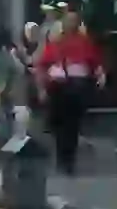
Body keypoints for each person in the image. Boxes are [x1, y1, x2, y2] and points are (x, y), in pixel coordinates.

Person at [36, 10, 105, 175]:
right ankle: (62, 157)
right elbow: (42, 66)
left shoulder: (85, 43)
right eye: (68, 20)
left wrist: (100, 76)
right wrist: (42, 89)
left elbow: (95, 63)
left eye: (74, 20)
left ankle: (69, 161)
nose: (71, 24)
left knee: (72, 126)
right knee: (59, 126)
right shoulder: (55, 44)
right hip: (58, 88)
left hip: (77, 88)